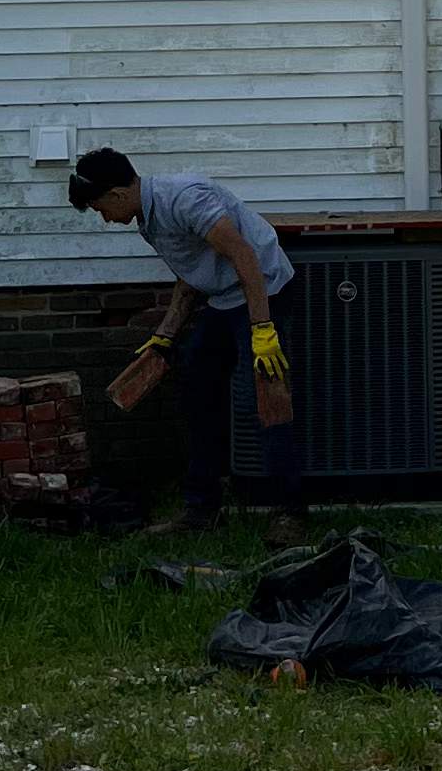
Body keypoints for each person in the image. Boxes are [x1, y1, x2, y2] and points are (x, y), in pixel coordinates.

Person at [66, 147, 308, 534]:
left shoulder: (184, 199)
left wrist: (262, 329)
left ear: (116, 194)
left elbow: (244, 257)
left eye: (100, 209)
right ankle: (202, 511)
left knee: (266, 398)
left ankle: (290, 512)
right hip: (225, 299)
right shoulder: (147, 218)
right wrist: (164, 336)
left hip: (265, 293)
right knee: (197, 392)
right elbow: (191, 273)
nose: (106, 219)